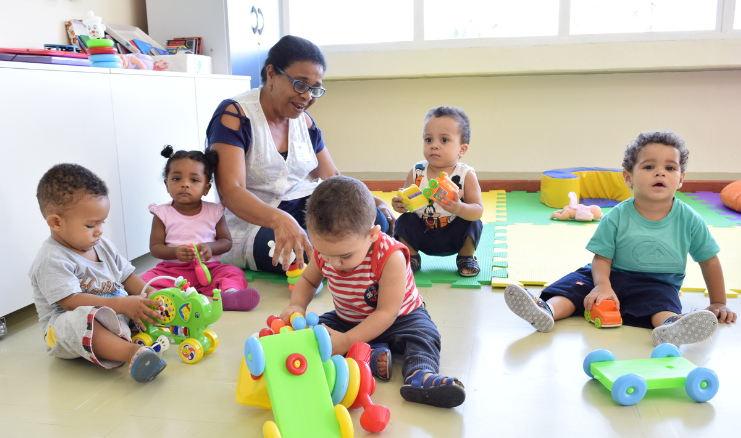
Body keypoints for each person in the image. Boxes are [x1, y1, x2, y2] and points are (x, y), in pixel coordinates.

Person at [504, 130, 737, 346]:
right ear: (628, 177)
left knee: (662, 302)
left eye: (670, 168)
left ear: (681, 178)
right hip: (609, 275)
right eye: (648, 167)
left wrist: (718, 302)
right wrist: (602, 286)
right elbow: (601, 258)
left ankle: (671, 326)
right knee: (576, 286)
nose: (660, 172)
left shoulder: (690, 219)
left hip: (656, 284)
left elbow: (709, 261)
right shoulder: (617, 216)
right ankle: (547, 311)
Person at [206, 35, 394, 275]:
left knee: (376, 220)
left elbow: (332, 177)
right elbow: (230, 191)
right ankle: (352, 256)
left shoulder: (304, 122)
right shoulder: (235, 115)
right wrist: (280, 220)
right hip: (253, 223)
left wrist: (370, 199)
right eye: (301, 84)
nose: (307, 96)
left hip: (302, 208)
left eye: (315, 89)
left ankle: (346, 253)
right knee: (300, 253)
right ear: (272, 73)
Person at [279, 176, 466, 408]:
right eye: (324, 253)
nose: (333, 263)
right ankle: (372, 356)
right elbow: (307, 279)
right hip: (348, 319)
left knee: (424, 336)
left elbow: (387, 313)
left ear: (372, 234)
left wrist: (347, 340)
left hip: (401, 318)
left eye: (344, 256)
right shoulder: (325, 252)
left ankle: (421, 374)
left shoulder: (390, 256)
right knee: (314, 333)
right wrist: (297, 306)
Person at [29, 164, 166, 382]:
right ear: (56, 222)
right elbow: (71, 302)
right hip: (68, 330)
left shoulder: (102, 245)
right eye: (91, 225)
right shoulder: (51, 259)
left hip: (114, 314)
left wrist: (151, 293)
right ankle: (131, 352)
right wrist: (123, 305)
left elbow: (127, 276)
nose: (100, 230)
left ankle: (130, 336)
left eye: (102, 222)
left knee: (139, 305)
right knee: (81, 318)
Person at [139, 146, 260, 311]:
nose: (185, 185)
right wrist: (175, 252)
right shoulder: (161, 213)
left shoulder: (214, 211)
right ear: (167, 184)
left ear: (206, 188)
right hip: (172, 271)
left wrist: (210, 248)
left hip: (209, 269)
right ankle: (160, 300)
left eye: (194, 180)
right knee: (145, 280)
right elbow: (155, 248)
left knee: (233, 272)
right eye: (176, 179)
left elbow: (226, 242)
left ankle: (230, 295)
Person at [392, 106, 484, 276]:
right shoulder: (417, 171)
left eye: (444, 140)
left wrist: (459, 208)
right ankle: (411, 256)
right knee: (404, 221)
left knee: (474, 222)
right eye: (428, 140)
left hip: (453, 235)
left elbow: (478, 210)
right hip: (423, 234)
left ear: (462, 149)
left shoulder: (466, 175)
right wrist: (400, 204)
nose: (434, 145)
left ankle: (466, 257)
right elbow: (406, 202)